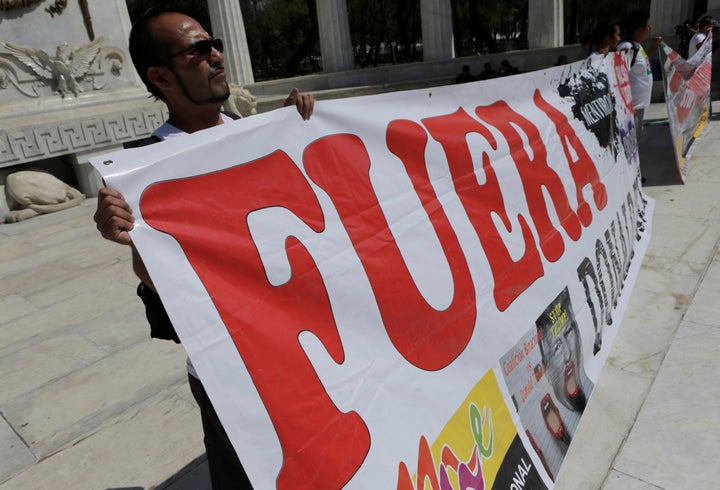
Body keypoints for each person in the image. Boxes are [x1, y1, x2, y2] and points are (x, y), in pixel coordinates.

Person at [93, 8, 314, 489]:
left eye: (214, 44)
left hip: (309, 349)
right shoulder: (143, 171)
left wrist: (309, 131)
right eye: (196, 50)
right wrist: (131, 238)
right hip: (233, 371)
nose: (215, 55)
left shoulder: (263, 132)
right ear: (160, 76)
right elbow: (164, 281)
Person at [617, 10, 662, 144]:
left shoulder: (637, 47)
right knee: (629, 144)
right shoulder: (627, 47)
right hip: (631, 108)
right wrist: (627, 105)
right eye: (648, 26)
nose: (650, 28)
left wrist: (654, 47)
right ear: (639, 30)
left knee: (635, 140)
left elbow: (641, 63)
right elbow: (619, 76)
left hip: (638, 106)